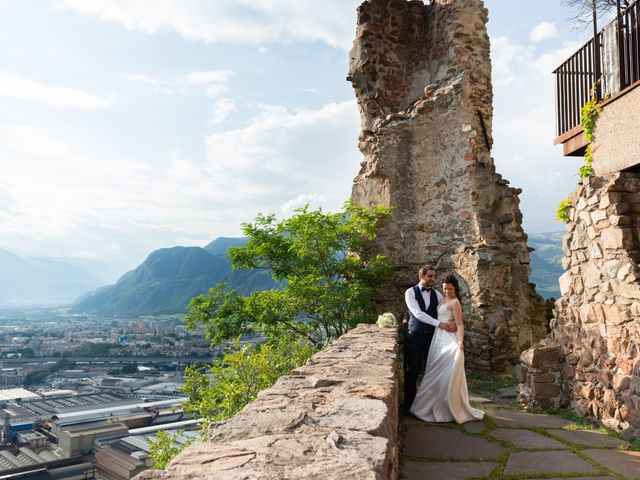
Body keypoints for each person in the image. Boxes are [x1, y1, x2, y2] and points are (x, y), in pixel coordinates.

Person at [410, 273, 484, 423]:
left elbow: (460, 324)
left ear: (455, 288)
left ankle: (446, 405)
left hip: (448, 337)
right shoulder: (440, 298)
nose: (447, 291)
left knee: (446, 365)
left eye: (449, 289)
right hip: (437, 336)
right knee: (433, 369)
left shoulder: (455, 303)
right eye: (444, 288)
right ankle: (427, 405)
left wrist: (460, 342)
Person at [403, 265, 456, 416]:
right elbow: (418, 314)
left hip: (432, 338)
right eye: (430, 276)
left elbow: (445, 310)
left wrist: (454, 323)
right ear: (421, 276)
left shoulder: (438, 295)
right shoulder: (410, 293)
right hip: (414, 336)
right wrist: (440, 324)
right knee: (413, 369)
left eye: (434, 276)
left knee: (431, 371)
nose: (433, 279)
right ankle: (408, 405)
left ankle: (429, 406)